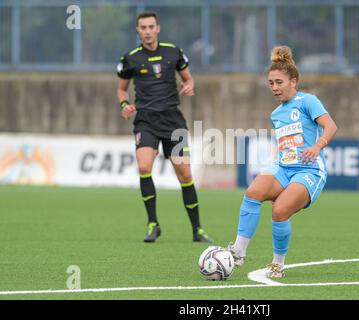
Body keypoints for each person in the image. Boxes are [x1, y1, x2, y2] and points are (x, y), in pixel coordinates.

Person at [227, 46, 338, 277]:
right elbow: (286, 143)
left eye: (279, 82)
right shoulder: (276, 114)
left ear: (293, 82)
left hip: (309, 170)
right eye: (271, 83)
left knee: (279, 211)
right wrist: (275, 162)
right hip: (284, 167)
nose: (275, 88)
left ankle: (278, 264)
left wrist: (317, 146)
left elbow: (331, 126)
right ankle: (238, 251)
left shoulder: (308, 101)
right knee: (252, 192)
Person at [116, 11, 213, 243]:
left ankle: (197, 230)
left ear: (158, 28)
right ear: (138, 31)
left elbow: (189, 79)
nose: (148, 31)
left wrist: (189, 86)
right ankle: (153, 224)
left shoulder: (173, 51)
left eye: (151, 27)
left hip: (173, 122)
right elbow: (122, 89)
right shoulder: (130, 58)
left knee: (185, 174)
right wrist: (125, 104)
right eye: (143, 28)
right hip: (146, 121)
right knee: (144, 167)